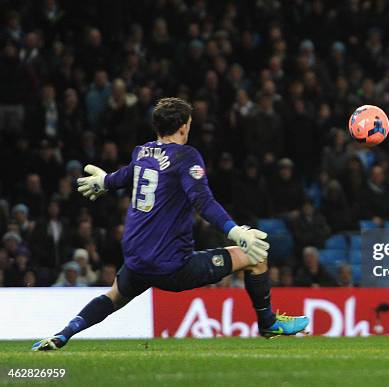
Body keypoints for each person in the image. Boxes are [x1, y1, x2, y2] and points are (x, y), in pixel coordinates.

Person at [32, 98, 308, 351]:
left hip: (137, 262)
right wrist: (234, 230)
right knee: (255, 256)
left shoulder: (142, 152)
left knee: (114, 296)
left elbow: (126, 175)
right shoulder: (186, 157)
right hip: (173, 267)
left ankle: (64, 333)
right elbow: (202, 201)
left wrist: (104, 181)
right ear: (183, 126)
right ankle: (268, 323)